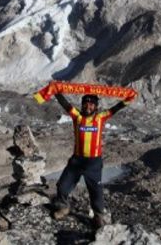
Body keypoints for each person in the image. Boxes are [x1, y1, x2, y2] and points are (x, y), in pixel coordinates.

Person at [51, 91, 135, 227]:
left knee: (96, 191)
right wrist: (55, 91)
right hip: (76, 161)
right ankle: (64, 207)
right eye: (85, 104)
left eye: (91, 105)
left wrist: (127, 100)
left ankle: (98, 216)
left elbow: (116, 108)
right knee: (62, 186)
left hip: (93, 163)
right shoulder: (77, 116)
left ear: (95, 107)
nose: (88, 107)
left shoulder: (100, 118)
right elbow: (65, 104)